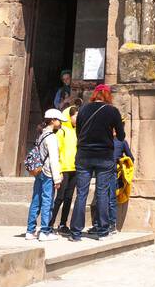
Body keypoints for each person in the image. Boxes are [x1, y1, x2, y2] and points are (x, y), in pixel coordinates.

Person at [68, 84, 125, 242]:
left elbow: (78, 132)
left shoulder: (84, 109)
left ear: (95, 94)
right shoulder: (112, 111)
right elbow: (121, 136)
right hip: (104, 156)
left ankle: (76, 233)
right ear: (107, 95)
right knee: (102, 193)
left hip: (84, 155)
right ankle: (102, 231)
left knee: (81, 194)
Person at [24, 108, 62, 242]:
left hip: (40, 172)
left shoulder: (41, 135)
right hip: (48, 172)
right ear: (52, 120)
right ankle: (45, 231)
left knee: (36, 200)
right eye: (58, 120)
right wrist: (57, 178)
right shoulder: (51, 137)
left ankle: (30, 230)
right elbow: (53, 159)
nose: (60, 123)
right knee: (47, 201)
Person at [51, 104, 78, 235]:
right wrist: (58, 170)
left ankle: (63, 224)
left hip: (74, 169)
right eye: (75, 116)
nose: (77, 118)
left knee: (68, 198)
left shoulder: (77, 132)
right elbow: (56, 152)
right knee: (60, 197)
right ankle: (50, 223)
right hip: (64, 169)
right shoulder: (61, 132)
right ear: (69, 116)